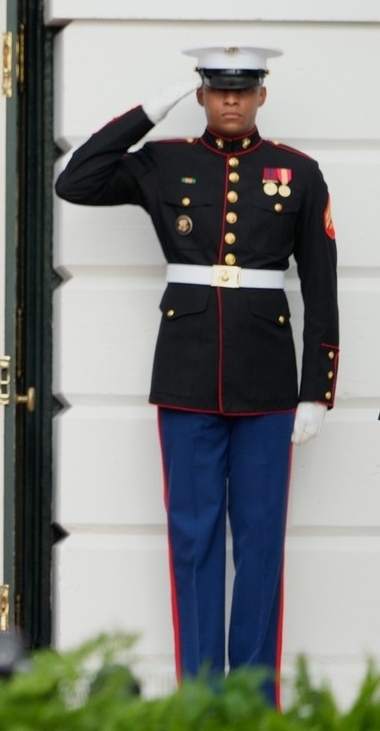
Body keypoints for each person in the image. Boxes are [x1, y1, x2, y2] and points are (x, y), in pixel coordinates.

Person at [55, 45, 339, 705]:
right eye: (217, 89)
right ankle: (201, 701)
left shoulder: (298, 173)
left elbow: (321, 286)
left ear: (262, 94)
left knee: (261, 544)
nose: (231, 99)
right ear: (203, 95)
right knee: (194, 540)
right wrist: (149, 111)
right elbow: (77, 180)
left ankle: (255, 703)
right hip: (186, 375)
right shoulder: (165, 161)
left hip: (268, 382)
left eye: (243, 89)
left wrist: (316, 391)